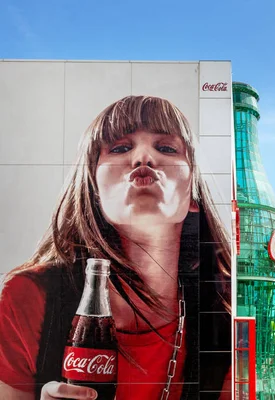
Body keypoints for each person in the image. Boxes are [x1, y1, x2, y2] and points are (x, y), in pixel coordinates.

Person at [0, 96, 232, 399]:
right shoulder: (29, 297)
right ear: (93, 188)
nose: (143, 157)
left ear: (193, 196)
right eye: (121, 148)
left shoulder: (226, 305)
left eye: (166, 148)